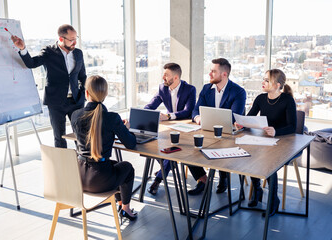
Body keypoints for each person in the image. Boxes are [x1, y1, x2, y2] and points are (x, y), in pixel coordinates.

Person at [71, 75, 137, 221]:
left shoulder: (75, 115)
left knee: (115, 166)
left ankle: (120, 204)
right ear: (105, 95)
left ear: (87, 93)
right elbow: (131, 143)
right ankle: (125, 208)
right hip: (100, 180)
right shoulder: (112, 118)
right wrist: (125, 129)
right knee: (127, 168)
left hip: (78, 177)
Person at [11, 24, 86, 148]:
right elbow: (32, 63)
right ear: (61, 39)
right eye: (71, 40)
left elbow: (82, 75)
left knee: (80, 135)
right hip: (56, 103)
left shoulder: (78, 53)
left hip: (76, 101)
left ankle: (83, 164)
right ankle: (62, 165)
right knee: (59, 136)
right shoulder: (49, 52)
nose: (75, 42)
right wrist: (23, 48)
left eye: (75, 38)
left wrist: (82, 95)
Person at [235, 69, 296, 217]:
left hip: (283, 140)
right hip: (263, 139)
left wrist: (276, 131)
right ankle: (257, 190)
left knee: (269, 162)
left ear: (277, 85)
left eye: (267, 80)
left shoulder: (287, 100)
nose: (263, 82)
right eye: (264, 79)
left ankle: (273, 200)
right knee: (250, 154)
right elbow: (250, 117)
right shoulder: (261, 98)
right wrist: (242, 123)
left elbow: (292, 126)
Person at [188, 58, 246, 195]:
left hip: (228, 135)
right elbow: (196, 110)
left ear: (224, 74)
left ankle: (223, 177)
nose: (209, 74)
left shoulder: (238, 92)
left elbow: (233, 117)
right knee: (187, 149)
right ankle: (202, 179)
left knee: (221, 146)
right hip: (206, 130)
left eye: (213, 71)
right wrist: (198, 118)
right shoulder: (206, 89)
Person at [144, 63, 196, 195]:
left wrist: (168, 116)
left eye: (166, 75)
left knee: (170, 151)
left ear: (176, 77)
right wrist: (142, 115)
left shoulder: (190, 89)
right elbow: (151, 106)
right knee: (153, 145)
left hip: (186, 128)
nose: (163, 77)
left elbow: (188, 111)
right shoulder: (163, 88)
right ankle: (167, 166)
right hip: (169, 128)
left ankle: (158, 179)